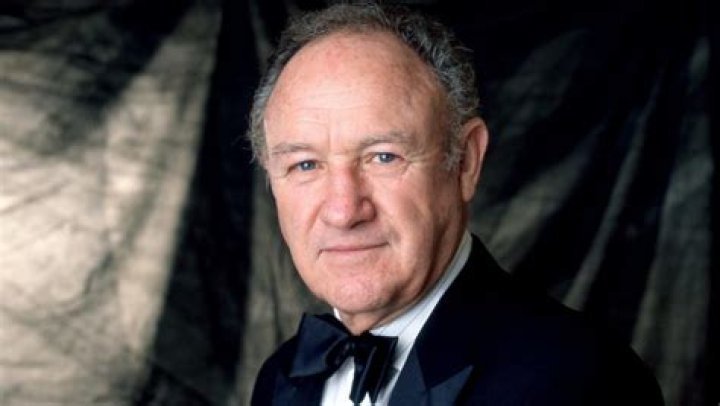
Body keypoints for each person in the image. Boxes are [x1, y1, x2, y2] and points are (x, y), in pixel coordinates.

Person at [247, 3, 664, 405]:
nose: (343, 211)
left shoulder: (582, 381)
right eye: (305, 164)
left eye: (383, 157)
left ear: (465, 161)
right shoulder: (279, 380)